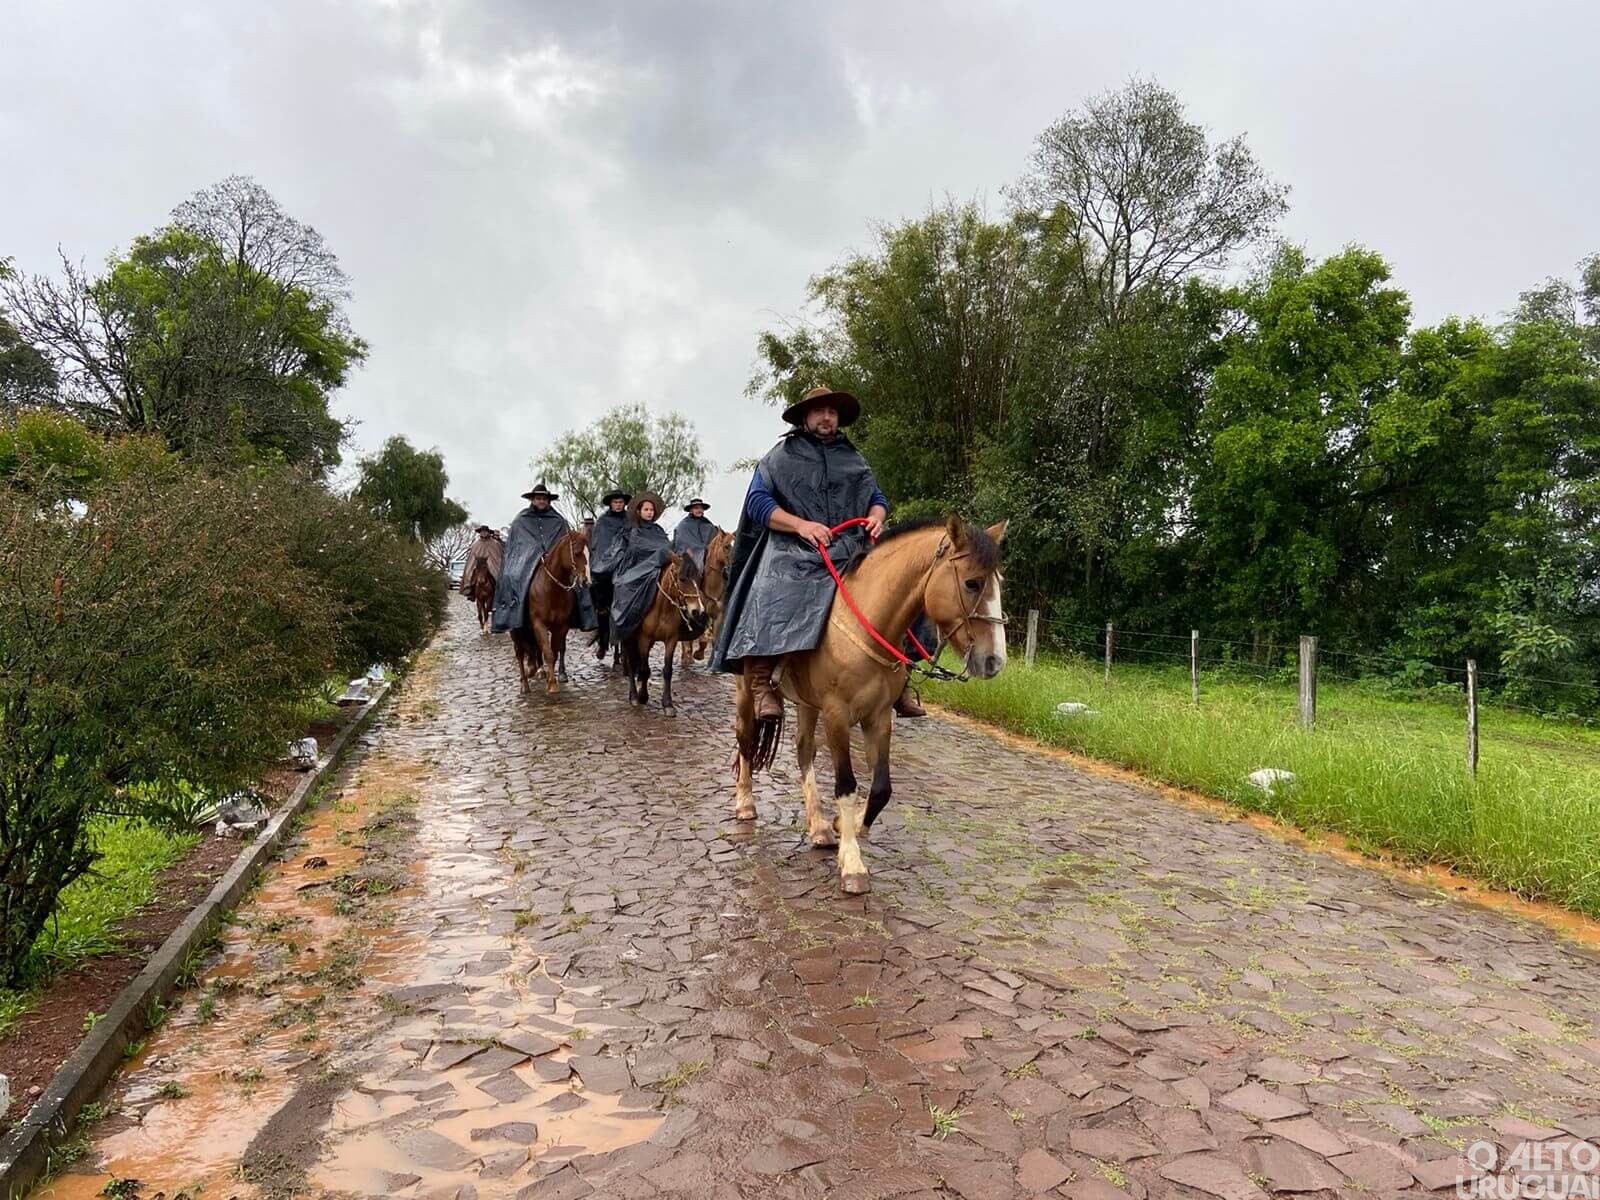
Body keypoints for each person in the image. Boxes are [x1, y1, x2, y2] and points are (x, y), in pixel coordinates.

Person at [710, 385, 925, 719]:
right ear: (805, 417)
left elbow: (877, 498)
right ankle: (763, 682)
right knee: (772, 589)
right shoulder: (781, 456)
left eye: (833, 412)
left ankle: (902, 674)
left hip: (851, 547)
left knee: (904, 586)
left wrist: (876, 517)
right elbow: (757, 502)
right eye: (820, 411)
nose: (827, 417)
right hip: (793, 549)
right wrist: (801, 525)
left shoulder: (854, 458)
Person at [490, 483, 571, 634]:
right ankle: (512, 615)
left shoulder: (559, 521)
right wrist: (534, 552)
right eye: (538, 498)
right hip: (525, 559)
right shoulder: (521, 520)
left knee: (578, 583)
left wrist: (553, 553)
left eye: (544, 499)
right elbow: (516, 545)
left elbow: (565, 542)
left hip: (553, 561)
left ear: (548, 501)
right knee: (510, 577)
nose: (541, 501)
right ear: (532, 500)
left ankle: (581, 616)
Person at [608, 491, 674, 644]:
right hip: (636, 568)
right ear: (639, 511)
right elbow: (635, 550)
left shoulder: (658, 530)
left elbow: (666, 547)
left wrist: (665, 555)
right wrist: (658, 555)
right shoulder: (633, 530)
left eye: (651, 510)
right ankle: (625, 623)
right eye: (646, 509)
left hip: (659, 566)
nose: (649, 513)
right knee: (622, 585)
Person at [587, 488, 630, 660]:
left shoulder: (631, 520)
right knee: (603, 607)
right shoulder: (602, 522)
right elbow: (599, 546)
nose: (618, 505)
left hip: (626, 567)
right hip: (605, 570)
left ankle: (626, 646)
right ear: (611, 504)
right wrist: (606, 562)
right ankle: (602, 641)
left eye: (621, 502)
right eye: (615, 502)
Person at [458, 525, 504, 597]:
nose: (483, 533)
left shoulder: (495, 543)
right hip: (478, 563)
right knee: (469, 569)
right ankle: (469, 588)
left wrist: (490, 561)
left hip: (491, 562)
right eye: (482, 532)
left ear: (488, 533)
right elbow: (472, 556)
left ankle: (500, 590)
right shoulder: (476, 544)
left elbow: (498, 556)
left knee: (496, 571)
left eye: (485, 532)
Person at [671, 498, 718, 567]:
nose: (699, 510)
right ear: (691, 510)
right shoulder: (684, 525)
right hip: (692, 555)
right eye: (696, 508)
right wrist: (701, 550)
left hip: (709, 555)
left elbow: (715, 541)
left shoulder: (709, 525)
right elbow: (683, 543)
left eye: (701, 508)